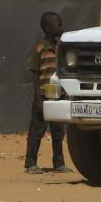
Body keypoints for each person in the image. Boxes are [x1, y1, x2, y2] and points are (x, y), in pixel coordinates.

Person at [24, 12, 72, 174]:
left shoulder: (61, 48)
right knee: (37, 130)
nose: (61, 26)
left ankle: (59, 163)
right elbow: (35, 74)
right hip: (43, 97)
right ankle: (30, 163)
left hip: (57, 97)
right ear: (47, 28)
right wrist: (38, 99)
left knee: (58, 132)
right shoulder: (39, 47)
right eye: (58, 24)